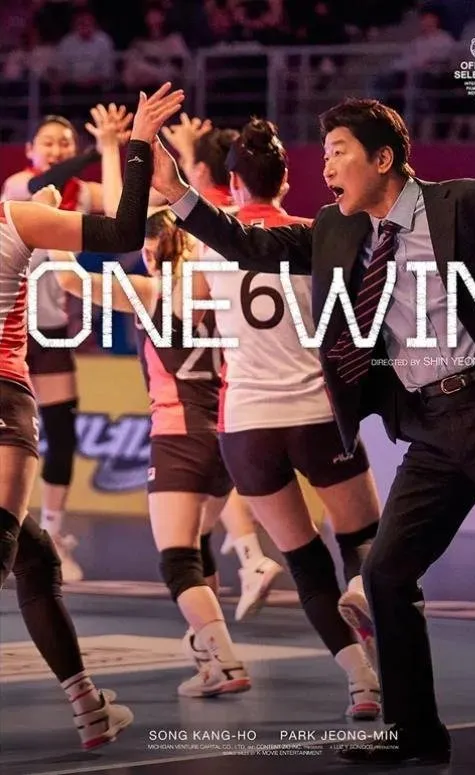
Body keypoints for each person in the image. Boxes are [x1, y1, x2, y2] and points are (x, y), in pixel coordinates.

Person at [150, 97, 475, 765]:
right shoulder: (335, 229)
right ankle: (413, 732)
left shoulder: (468, 202)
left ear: (383, 158)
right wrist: (180, 195)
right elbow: (250, 244)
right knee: (385, 574)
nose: (326, 165)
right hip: (431, 426)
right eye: (325, 152)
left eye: (339, 151)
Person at [0, 81, 183, 748]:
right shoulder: (15, 217)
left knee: (35, 559)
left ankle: (90, 708)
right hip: (3, 400)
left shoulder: (23, 212)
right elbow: (125, 231)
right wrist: (136, 144)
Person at [183, 117, 383, 718]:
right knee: (363, 540)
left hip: (246, 424)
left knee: (303, 560)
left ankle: (361, 683)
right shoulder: (315, 236)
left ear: (233, 182)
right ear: (287, 180)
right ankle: (363, 589)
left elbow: (193, 314)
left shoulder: (208, 244)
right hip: (314, 412)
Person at [55, 207, 251, 698]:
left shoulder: (152, 293)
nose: (144, 256)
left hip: (179, 435)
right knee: (198, 545)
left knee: (177, 560)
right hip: (228, 435)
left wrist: (51, 227)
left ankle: (226, 661)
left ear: (160, 250)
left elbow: (70, 280)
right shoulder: (223, 291)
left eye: (147, 248)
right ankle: (210, 653)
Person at [1, 106, 132, 580]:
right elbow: (43, 185)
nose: (56, 149)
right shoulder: (20, 187)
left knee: (61, 432)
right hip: (8, 328)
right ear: (30, 150)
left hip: (51, 327)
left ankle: (54, 533)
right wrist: (93, 152)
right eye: (48, 142)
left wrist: (111, 150)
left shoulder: (82, 192)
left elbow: (120, 215)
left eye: (65, 143)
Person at [162, 114, 284, 613]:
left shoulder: (201, 220)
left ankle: (249, 561)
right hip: (244, 357)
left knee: (185, 536)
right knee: (213, 490)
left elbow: (124, 211)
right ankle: (247, 561)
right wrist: (191, 152)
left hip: (199, 366)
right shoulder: (243, 219)